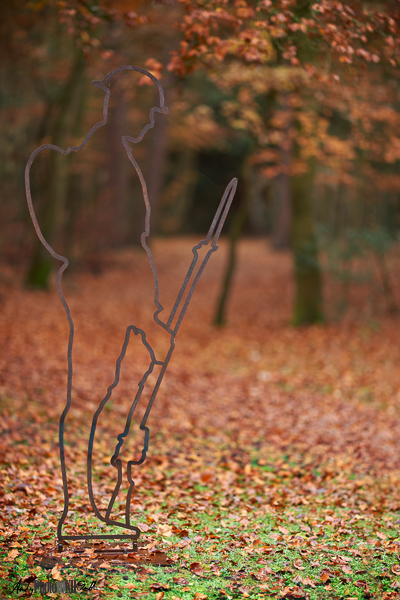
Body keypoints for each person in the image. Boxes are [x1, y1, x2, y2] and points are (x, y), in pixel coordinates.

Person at [25, 65, 237, 549]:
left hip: (139, 305)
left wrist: (159, 305)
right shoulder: (85, 156)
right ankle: (79, 511)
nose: (154, 120)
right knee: (95, 400)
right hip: (110, 309)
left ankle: (105, 505)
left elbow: (141, 251)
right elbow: (67, 244)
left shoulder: (125, 156)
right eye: (152, 109)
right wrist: (148, 313)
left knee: (128, 401)